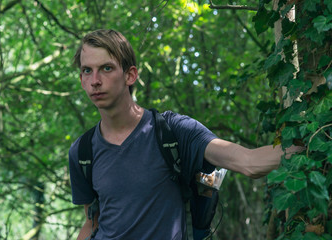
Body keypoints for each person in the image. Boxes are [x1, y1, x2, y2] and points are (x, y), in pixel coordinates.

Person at [68, 29, 303, 240]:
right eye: (87, 71)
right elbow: (92, 221)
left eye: (106, 68)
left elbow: (248, 162)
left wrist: (312, 144)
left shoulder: (172, 131)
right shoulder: (83, 151)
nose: (95, 81)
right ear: (81, 79)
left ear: (130, 75)